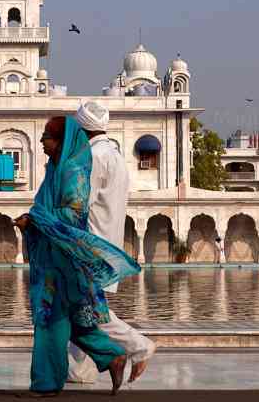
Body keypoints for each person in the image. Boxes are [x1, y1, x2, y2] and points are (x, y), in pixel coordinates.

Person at [14, 116, 139, 395]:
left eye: (46, 137)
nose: (42, 143)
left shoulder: (73, 170)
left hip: (64, 258)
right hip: (55, 255)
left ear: (60, 141)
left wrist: (34, 219)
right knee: (74, 319)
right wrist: (34, 220)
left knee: (51, 318)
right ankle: (112, 356)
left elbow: (73, 213)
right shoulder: (56, 168)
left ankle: (46, 383)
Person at [68, 102, 156, 385]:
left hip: (90, 245)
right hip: (107, 244)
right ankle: (80, 372)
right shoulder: (115, 155)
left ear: (82, 130)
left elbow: (80, 203)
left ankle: (139, 346)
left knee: (91, 309)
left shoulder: (92, 158)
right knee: (81, 311)